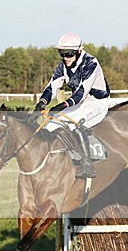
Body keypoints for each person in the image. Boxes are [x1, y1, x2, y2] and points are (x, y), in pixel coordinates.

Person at [32, 33, 110, 178]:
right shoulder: (63, 66)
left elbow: (81, 92)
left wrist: (62, 105)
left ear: (79, 51)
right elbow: (52, 86)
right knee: (50, 124)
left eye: (69, 54)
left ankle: (88, 165)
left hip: (96, 103)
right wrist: (42, 103)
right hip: (79, 103)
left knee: (75, 125)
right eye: (62, 54)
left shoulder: (91, 63)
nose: (65, 58)